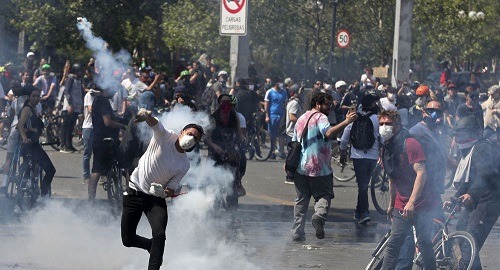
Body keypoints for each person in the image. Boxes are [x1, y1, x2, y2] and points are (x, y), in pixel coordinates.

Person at [121, 108, 204, 270]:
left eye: (195, 138)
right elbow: (155, 124)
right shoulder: (166, 136)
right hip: (134, 191)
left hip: (155, 199)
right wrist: (147, 116)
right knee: (128, 240)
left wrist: (163, 193)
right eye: (190, 133)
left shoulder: (184, 164)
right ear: (182, 132)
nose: (191, 138)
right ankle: (151, 247)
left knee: (159, 234)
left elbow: (172, 188)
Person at [291, 92, 357, 242]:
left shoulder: (301, 118)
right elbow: (327, 133)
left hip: (301, 167)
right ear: (318, 104)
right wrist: (346, 122)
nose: (330, 108)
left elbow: (294, 142)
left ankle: (297, 232)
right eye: (327, 105)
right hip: (320, 168)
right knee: (324, 196)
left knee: (301, 201)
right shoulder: (321, 117)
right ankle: (318, 218)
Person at [379, 110, 438, 270]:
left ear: (397, 125)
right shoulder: (386, 147)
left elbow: (421, 173)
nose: (384, 127)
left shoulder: (410, 143)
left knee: (424, 243)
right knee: (393, 244)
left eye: (388, 124)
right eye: (381, 124)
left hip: (422, 202)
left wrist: (412, 202)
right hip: (401, 204)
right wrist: (391, 204)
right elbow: (392, 178)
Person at [448, 116, 500, 269]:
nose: (460, 139)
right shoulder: (472, 149)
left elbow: (484, 174)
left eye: (463, 135)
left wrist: (472, 194)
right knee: (461, 230)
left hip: (489, 201)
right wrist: (455, 198)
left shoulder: (483, 147)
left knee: (469, 243)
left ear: (476, 133)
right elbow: (470, 179)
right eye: (458, 135)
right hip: (478, 199)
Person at [339, 94, 380, 224]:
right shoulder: (376, 119)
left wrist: (342, 153)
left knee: (362, 185)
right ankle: (363, 212)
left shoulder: (354, 118)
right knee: (363, 184)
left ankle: (360, 211)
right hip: (372, 156)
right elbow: (381, 138)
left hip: (357, 156)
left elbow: (345, 137)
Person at [88, 88, 127, 202]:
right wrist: (122, 126)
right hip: (104, 140)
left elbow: (113, 118)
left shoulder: (98, 100)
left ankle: (91, 201)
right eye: (113, 90)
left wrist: (124, 120)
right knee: (125, 164)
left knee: (97, 169)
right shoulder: (103, 101)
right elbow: (108, 122)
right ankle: (130, 192)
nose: (115, 92)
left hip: (99, 139)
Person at [17, 85, 56, 197]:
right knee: (50, 170)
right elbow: (19, 125)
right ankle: (43, 197)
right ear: (29, 97)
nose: (36, 98)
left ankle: (28, 191)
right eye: (33, 96)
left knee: (32, 170)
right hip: (30, 145)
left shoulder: (33, 109)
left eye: (38, 96)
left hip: (32, 144)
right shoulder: (27, 109)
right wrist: (24, 137)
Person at [60, 64, 84, 153]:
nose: (80, 72)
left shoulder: (79, 80)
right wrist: (70, 104)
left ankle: (69, 145)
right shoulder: (70, 79)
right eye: (78, 71)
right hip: (69, 106)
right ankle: (63, 145)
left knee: (71, 127)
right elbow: (67, 92)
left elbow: (81, 92)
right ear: (74, 71)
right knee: (66, 126)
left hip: (77, 106)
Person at [284, 88, 304, 184]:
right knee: (293, 156)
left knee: (293, 155)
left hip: (294, 132)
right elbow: (292, 117)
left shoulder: (294, 102)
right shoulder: (295, 103)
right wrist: (304, 122)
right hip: (292, 133)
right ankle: (289, 176)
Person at [264, 82, 288, 159]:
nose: (280, 84)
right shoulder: (270, 92)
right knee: (272, 135)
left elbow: (286, 104)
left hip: (281, 115)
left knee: (281, 134)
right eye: (279, 82)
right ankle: (272, 152)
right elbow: (266, 104)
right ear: (275, 83)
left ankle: (281, 151)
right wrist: (267, 116)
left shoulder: (284, 92)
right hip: (272, 115)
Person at [81, 88, 99, 184]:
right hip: (88, 127)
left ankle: (96, 175)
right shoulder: (89, 95)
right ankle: (86, 176)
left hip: (97, 128)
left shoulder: (100, 96)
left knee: (98, 153)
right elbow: (90, 109)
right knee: (87, 153)